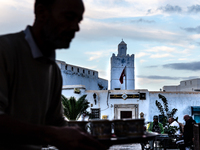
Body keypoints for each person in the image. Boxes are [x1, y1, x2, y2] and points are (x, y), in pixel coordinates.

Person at [0, 0, 106, 149]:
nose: (75, 27)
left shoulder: (53, 71)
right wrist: (51, 134)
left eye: (78, 21)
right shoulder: (5, 51)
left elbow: (55, 123)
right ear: (41, 12)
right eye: (69, 17)